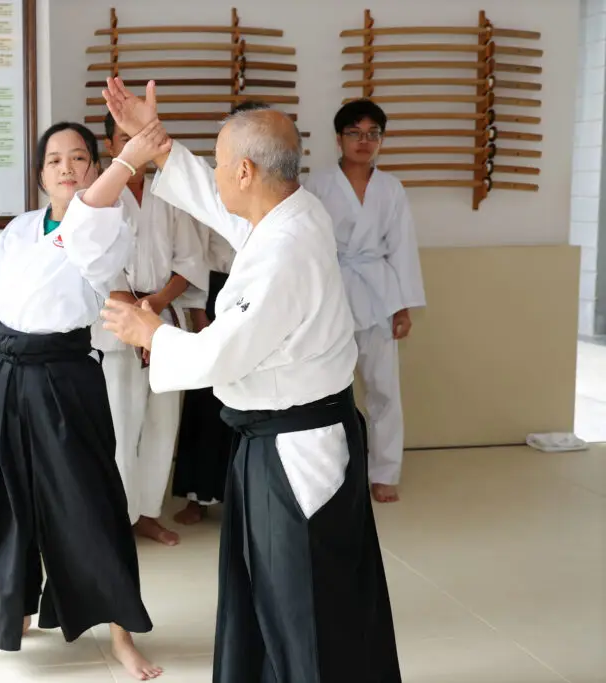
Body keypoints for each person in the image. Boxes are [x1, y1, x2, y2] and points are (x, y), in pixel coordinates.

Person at [88, 77, 402, 683]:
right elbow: (217, 203)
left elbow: (219, 355)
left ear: (247, 172)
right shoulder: (288, 211)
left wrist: (148, 331)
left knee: (300, 603)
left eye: (221, 164)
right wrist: (157, 146)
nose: (215, 174)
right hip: (290, 438)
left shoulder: (283, 251)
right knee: (279, 599)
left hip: (296, 452)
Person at [0, 121, 160, 681]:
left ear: (96, 170)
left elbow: (88, 223)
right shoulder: (20, 229)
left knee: (89, 504)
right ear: (39, 175)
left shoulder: (107, 222)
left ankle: (121, 633)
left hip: (64, 379)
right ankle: (12, 612)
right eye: (55, 160)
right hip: (2, 374)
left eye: (81, 158)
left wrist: (129, 157)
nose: (68, 168)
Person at [302, 99, 425, 504]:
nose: (364, 141)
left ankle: (385, 471)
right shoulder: (317, 185)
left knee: (384, 389)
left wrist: (402, 306)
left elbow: (403, 248)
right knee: (328, 388)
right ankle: (330, 470)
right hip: (331, 292)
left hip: (377, 292)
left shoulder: (390, 189)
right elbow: (307, 246)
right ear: (338, 139)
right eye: (355, 133)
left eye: (373, 134)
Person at [96, 111, 208, 546]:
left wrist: (157, 307)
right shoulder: (98, 195)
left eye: (141, 138)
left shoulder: (170, 193)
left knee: (163, 424)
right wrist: (136, 313)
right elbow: (95, 266)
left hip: (164, 316)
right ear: (111, 147)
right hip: (115, 320)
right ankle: (118, 519)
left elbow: (190, 261)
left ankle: (147, 513)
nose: (134, 147)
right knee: (121, 427)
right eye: (125, 140)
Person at [170, 101, 266, 526]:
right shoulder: (217, 180)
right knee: (206, 401)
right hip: (214, 289)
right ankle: (197, 494)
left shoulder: (280, 187)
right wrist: (196, 313)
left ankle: (240, 495)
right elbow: (193, 250)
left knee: (252, 395)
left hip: (258, 290)